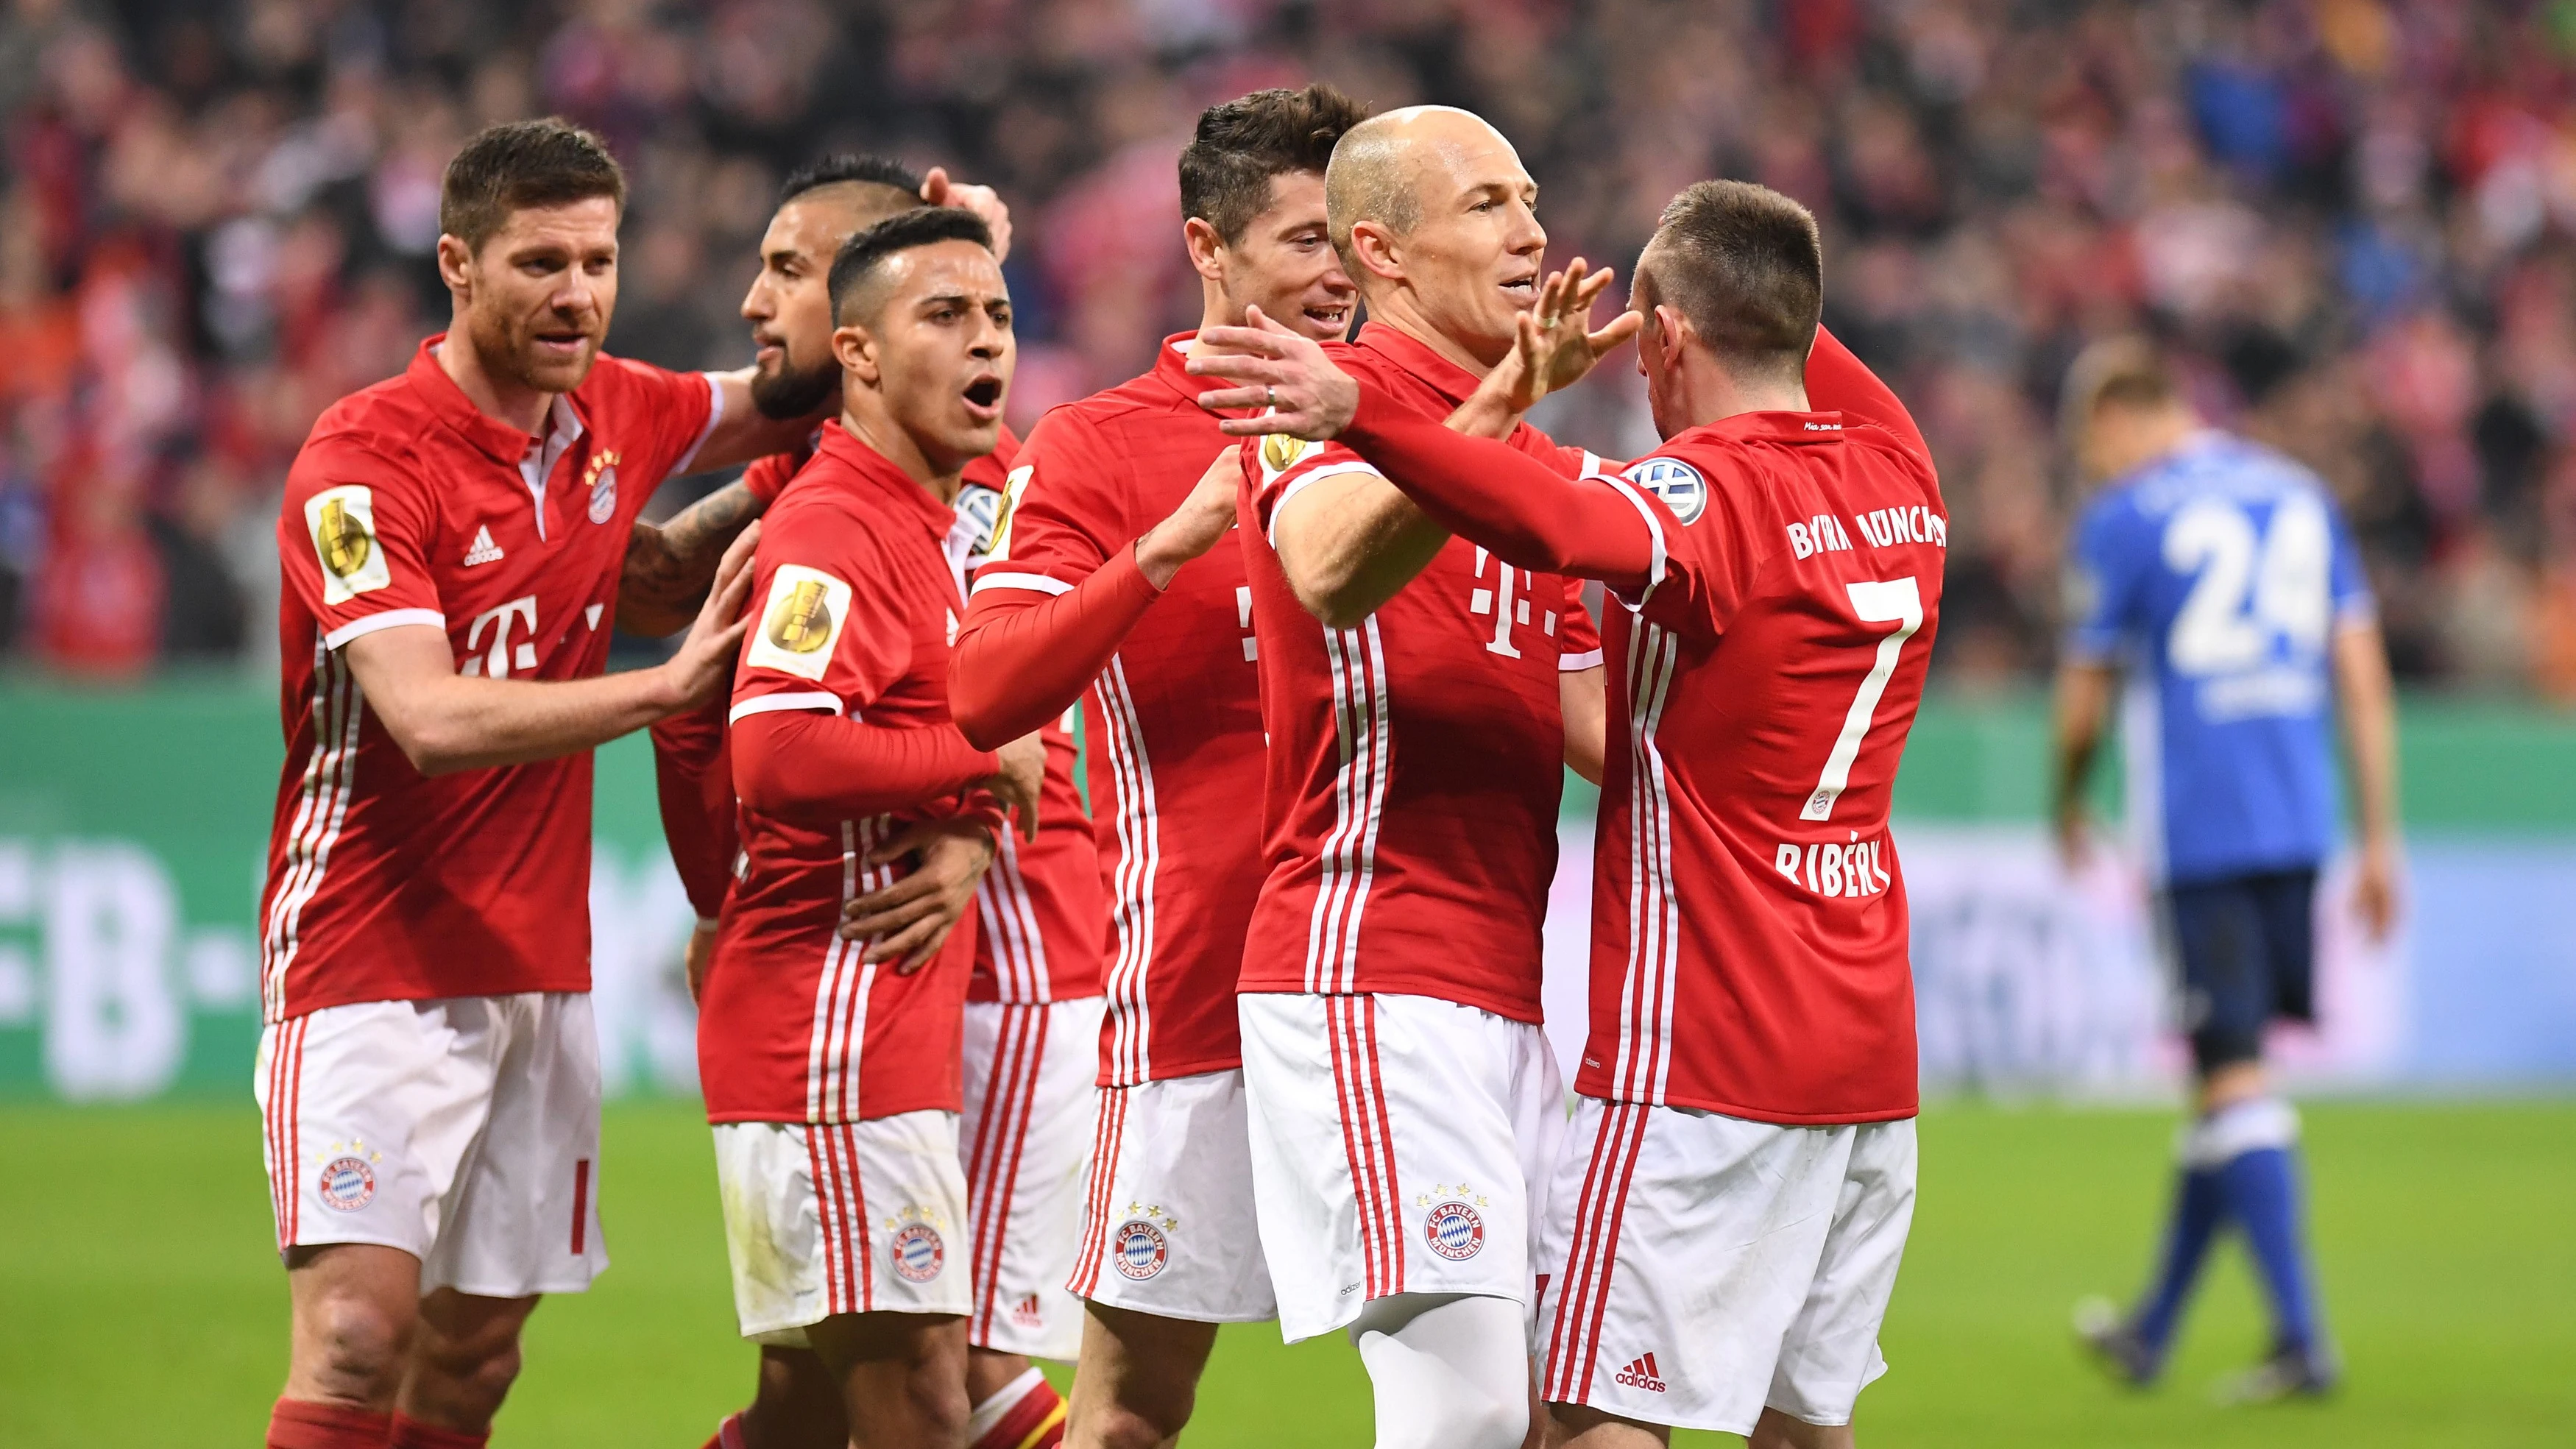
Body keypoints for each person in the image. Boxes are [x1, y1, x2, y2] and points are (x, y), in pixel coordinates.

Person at [1199, 178, 1945, 1448]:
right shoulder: (1902, 470)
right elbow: (1779, 302)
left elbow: (1545, 514)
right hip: (1870, 1045)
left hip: (1706, 1037)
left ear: (1662, 342)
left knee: (1593, 1418)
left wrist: (1360, 410)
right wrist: (1703, 234)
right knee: (1809, 1423)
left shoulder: (1701, 502)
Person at [255, 118, 827, 1449]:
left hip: (536, 966)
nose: (576, 294)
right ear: (457, 264)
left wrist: (936, 239)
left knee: (472, 1365)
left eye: (598, 261)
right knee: (354, 1341)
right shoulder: (362, 465)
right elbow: (428, 717)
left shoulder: (619, 411)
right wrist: (668, 687)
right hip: (365, 956)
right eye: (538, 263)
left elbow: (802, 384)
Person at [1175, 104, 1624, 1449]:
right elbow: (1323, 568)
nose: (1533, 228)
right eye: (1488, 202)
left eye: (1531, 195)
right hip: (1366, 970)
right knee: (1468, 1407)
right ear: (1383, 248)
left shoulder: (1536, 468)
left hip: (1502, 989)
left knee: (1574, 1410)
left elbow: (1599, 729)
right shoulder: (1314, 402)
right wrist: (1486, 414)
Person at [947, 85, 1371, 1449]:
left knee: (1517, 1389)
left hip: (1413, 994)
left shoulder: (1425, 428)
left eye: (1356, 241)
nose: (1339, 273)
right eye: (1306, 239)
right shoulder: (1102, 446)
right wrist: (1161, 553)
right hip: (1201, 993)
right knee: (1130, 1415)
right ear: (1208, 247)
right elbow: (988, 685)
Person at [651, 154, 1088, 1449]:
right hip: (845, 1019)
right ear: (862, 350)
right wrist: (976, 773)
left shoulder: (943, 503)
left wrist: (976, 816)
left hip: (909, 999)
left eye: (997, 316)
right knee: (925, 1396)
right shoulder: (831, 522)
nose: (750, 300)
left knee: (829, 1399)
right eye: (946, 315)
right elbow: (772, 751)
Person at [2053, 337, 2397, 1401]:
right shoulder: (2299, 495)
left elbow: (2085, 699)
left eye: (2088, 446)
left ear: (2118, 415)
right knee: (2225, 1072)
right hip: (2300, 822)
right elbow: (2362, 671)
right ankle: (2154, 1329)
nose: (2092, 468)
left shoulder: (2128, 516)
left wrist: (2065, 801)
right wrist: (2380, 836)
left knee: (2235, 1072)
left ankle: (2304, 1340)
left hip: (2200, 832)